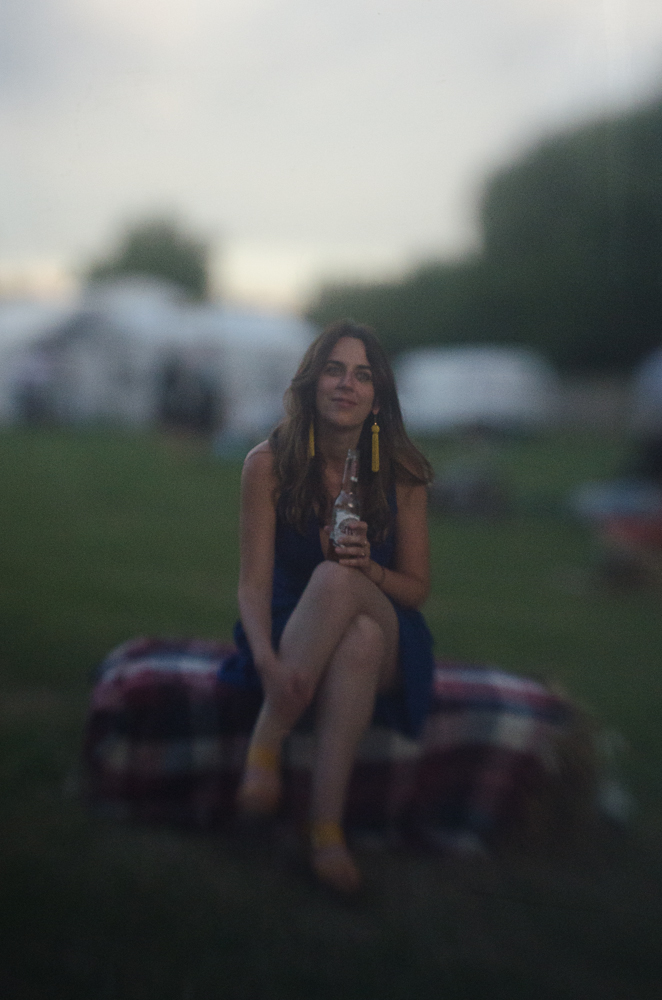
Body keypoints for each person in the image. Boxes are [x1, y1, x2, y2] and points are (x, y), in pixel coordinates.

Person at [221, 319, 435, 893]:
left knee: (342, 585)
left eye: (362, 376)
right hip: (294, 625)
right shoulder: (267, 464)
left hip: (393, 629)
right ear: (311, 382)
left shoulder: (403, 472)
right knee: (357, 639)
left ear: (376, 399)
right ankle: (325, 833)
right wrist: (265, 660)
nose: (347, 384)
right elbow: (251, 585)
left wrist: (369, 570)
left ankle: (266, 741)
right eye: (335, 370)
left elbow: (416, 589)